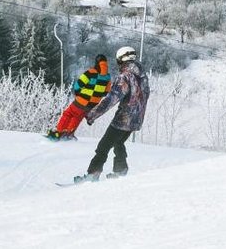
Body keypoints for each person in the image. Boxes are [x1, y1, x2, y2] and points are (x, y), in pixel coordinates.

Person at [74, 46, 150, 183]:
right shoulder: (143, 77)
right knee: (118, 142)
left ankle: (93, 174)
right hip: (136, 120)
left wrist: (92, 114)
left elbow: (111, 100)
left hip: (123, 119)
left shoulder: (125, 77)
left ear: (121, 60)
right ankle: (121, 170)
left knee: (103, 146)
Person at [46, 53, 112, 140]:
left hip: (82, 100)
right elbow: (106, 92)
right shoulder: (107, 77)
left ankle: (59, 131)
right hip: (92, 105)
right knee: (77, 117)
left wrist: (78, 94)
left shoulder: (90, 73)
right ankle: (69, 134)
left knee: (68, 114)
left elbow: (78, 85)